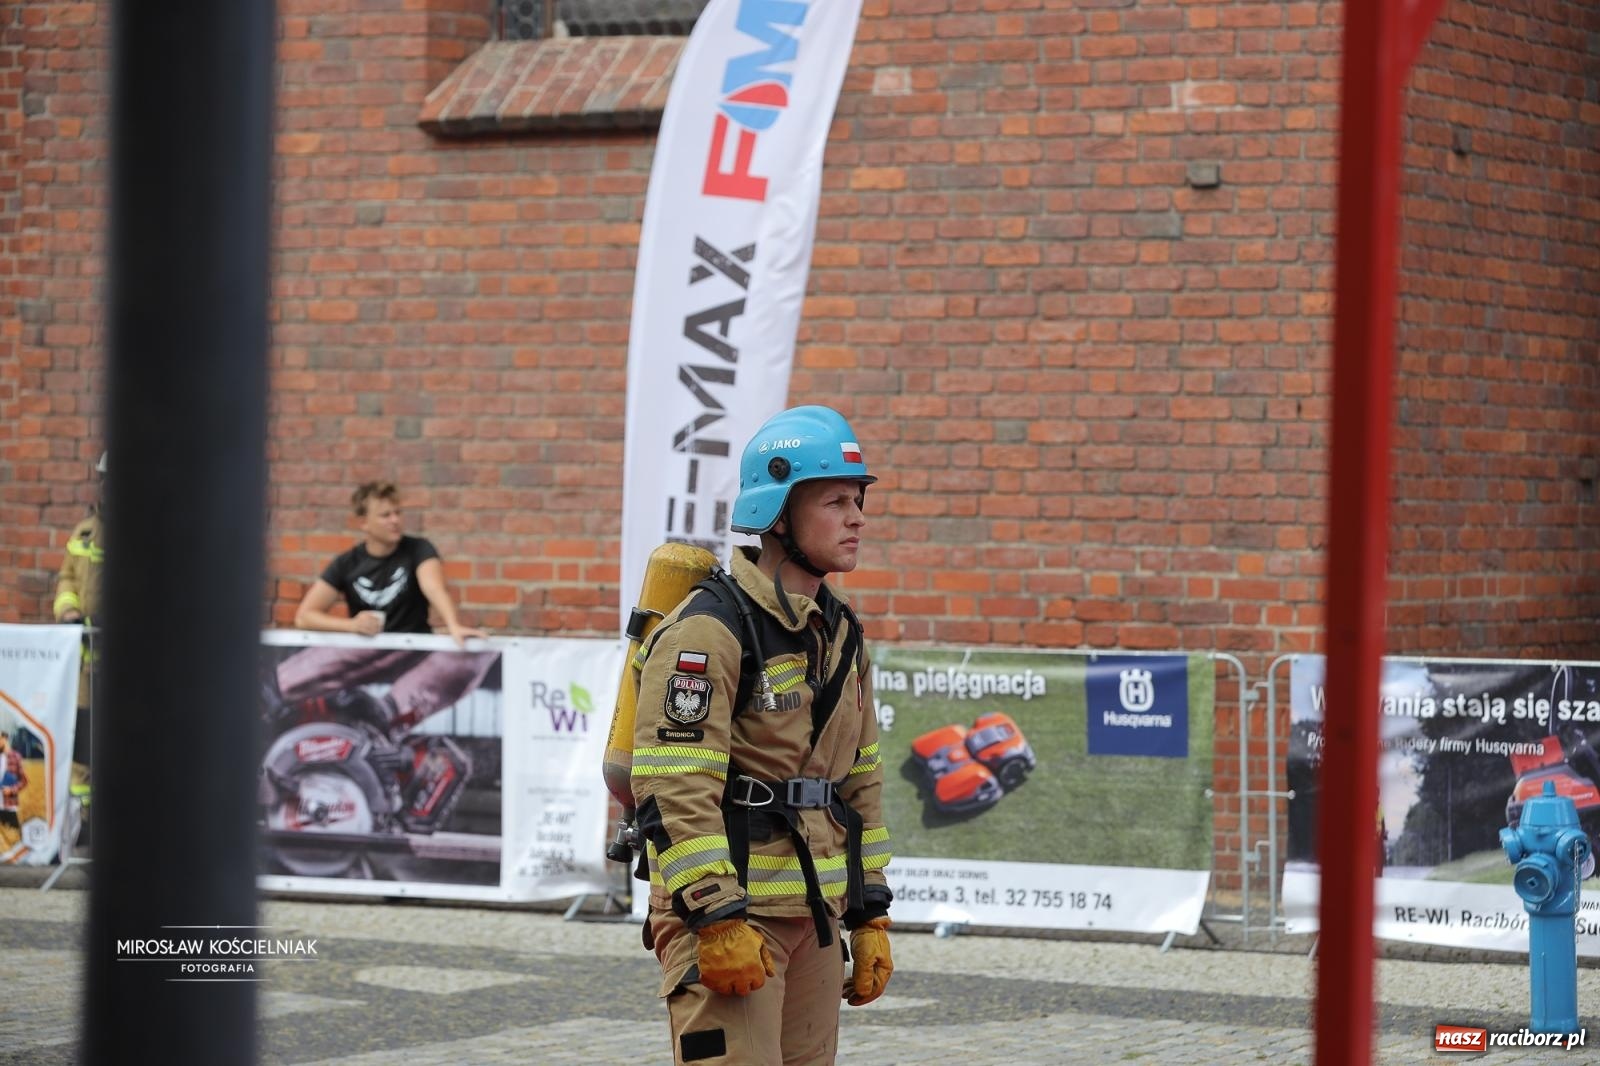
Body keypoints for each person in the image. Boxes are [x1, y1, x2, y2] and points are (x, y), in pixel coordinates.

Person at [629, 405, 894, 1066]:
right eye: (835, 501)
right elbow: (674, 783)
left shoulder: (841, 633)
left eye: (858, 500)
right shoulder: (709, 631)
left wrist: (869, 912)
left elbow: (859, 777)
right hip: (730, 919)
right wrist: (714, 916)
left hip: (815, 917)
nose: (858, 518)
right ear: (777, 514)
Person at [294, 480, 485, 646]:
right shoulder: (347, 563)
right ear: (363, 522)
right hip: (367, 655)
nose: (395, 520)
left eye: (398, 513)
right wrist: (352, 626)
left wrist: (453, 625)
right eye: (385, 515)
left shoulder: (418, 549)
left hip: (413, 651)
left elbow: (434, 588)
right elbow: (304, 617)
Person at [52, 451, 106, 777]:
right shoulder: (84, 532)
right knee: (83, 733)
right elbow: (67, 578)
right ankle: (83, 801)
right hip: (84, 658)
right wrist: (68, 610)